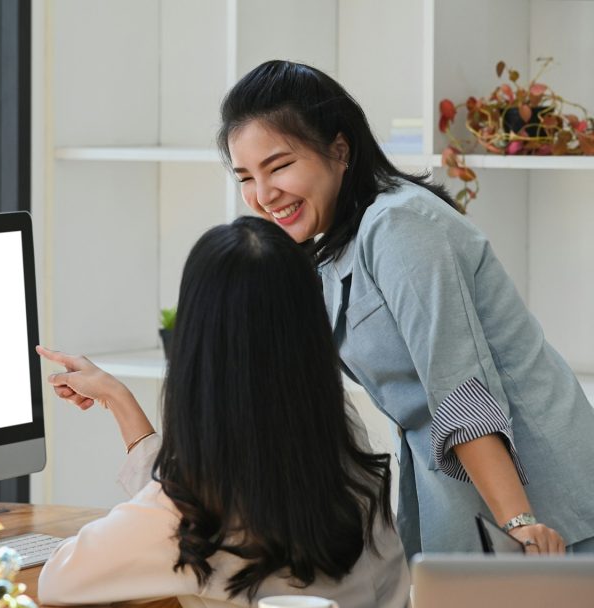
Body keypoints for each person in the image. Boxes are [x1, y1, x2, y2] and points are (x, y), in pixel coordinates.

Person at [218, 59, 594, 557]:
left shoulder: (398, 225)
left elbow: (459, 387)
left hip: (543, 502)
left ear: (339, 148)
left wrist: (519, 521)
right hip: (464, 497)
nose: (263, 195)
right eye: (246, 176)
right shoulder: (332, 248)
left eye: (279, 165)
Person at [37, 218, 409, 608]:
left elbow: (60, 577)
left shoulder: (189, 509)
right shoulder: (337, 440)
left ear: (196, 344)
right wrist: (120, 401)